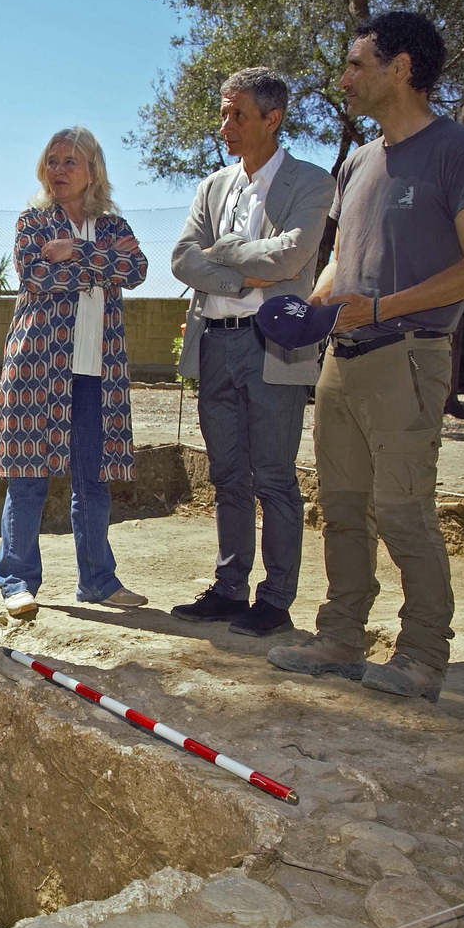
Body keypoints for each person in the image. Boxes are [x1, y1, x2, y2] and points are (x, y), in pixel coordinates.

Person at [267, 12, 464, 701]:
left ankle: (423, 654)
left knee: (404, 511)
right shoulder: (358, 161)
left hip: (408, 355)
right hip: (341, 359)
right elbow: (343, 258)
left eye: (356, 65)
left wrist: (381, 308)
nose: (343, 79)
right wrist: (310, 307)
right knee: (342, 507)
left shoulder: (461, 151)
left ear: (400, 69)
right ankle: (341, 639)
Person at [168, 68, 335, 637]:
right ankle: (228, 589)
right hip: (214, 343)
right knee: (227, 475)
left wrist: (224, 252)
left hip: (273, 347)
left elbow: (289, 258)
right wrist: (242, 275)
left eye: (237, 115)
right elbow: (182, 258)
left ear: (272, 118)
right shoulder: (212, 187)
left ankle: (276, 600)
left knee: (275, 477)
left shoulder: (312, 182)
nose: (226, 126)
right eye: (223, 114)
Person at [0, 127, 149, 617]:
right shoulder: (34, 222)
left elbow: (137, 269)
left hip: (98, 373)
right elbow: (37, 274)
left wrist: (78, 252)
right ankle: (17, 581)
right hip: (37, 369)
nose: (58, 170)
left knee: (94, 480)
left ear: (93, 171)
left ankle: (98, 581)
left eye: (70, 162)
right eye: (52, 161)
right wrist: (105, 265)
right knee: (28, 475)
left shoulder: (112, 225)